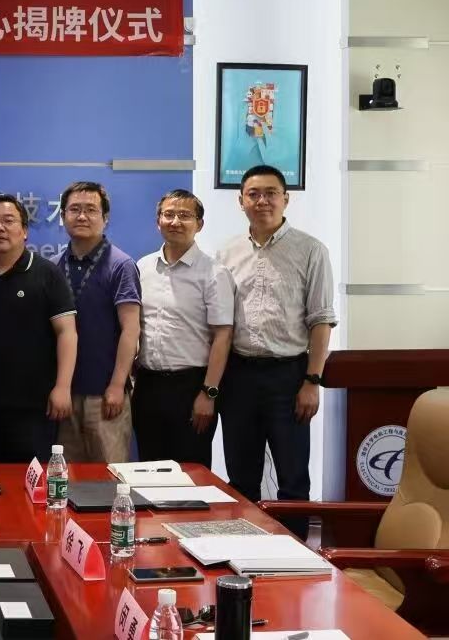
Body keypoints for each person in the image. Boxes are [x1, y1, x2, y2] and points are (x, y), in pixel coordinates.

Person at [216, 165, 336, 525]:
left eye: (270, 193)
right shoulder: (227, 253)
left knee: (293, 478)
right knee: (241, 479)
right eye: (253, 194)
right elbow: (221, 323)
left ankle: (295, 553)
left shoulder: (311, 250)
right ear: (240, 201)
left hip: (289, 377)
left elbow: (321, 320)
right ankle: (242, 550)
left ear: (286, 199)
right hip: (239, 376)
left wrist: (312, 381)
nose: (262, 201)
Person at [0, 195, 77, 463]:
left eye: (8, 221)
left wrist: (63, 387)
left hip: (34, 406)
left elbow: (67, 333)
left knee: (30, 480)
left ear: (24, 231)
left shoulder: (47, 273)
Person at [133, 190, 234, 467]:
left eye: (185, 215)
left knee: (192, 474)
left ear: (199, 224)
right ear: (158, 221)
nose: (175, 221)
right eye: (168, 214)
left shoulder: (214, 272)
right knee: (149, 469)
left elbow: (223, 336)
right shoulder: (143, 267)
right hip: (148, 386)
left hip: (192, 387)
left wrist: (209, 393)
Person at [53, 181, 141, 463]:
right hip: (64, 395)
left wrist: (117, 385)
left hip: (105, 395)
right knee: (66, 478)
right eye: (74, 209)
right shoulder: (53, 265)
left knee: (110, 477)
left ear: (105, 217)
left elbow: (131, 330)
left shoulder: (121, 265)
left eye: (90, 210)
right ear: (62, 216)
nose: (82, 216)